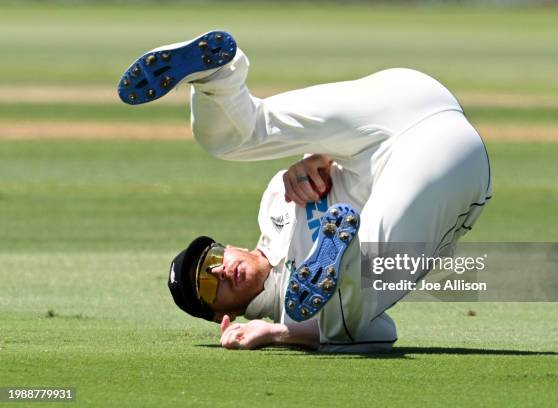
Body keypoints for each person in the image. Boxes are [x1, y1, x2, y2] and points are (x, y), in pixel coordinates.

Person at [119, 31, 492, 353]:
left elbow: (328, 152)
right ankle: (341, 257)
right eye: (207, 281)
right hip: (448, 163)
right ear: (221, 315)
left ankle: (217, 77)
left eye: (213, 256)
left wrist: (317, 156)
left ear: (227, 245)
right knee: (351, 305)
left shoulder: (272, 203)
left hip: (404, 101)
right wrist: (278, 331)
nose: (221, 269)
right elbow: (382, 334)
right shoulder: (289, 310)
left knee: (239, 136)